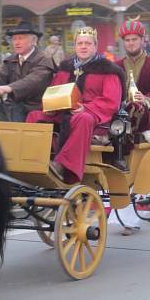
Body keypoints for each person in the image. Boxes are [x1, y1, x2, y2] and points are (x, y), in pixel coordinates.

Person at [27, 27, 123, 183]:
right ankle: (33, 161)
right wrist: (50, 108)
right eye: (80, 43)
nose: (83, 47)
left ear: (95, 46)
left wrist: (86, 107)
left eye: (88, 43)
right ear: (75, 46)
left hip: (94, 119)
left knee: (82, 118)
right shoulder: (66, 67)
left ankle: (63, 165)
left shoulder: (108, 70)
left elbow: (111, 101)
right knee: (34, 116)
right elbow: (54, 91)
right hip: (63, 114)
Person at [0, 21, 55, 122]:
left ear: (34, 40)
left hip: (34, 107)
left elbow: (33, 81)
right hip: (12, 106)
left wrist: (9, 88)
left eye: (21, 38)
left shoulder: (44, 59)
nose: (16, 42)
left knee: (15, 118)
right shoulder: (11, 59)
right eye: (14, 39)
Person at [115, 16, 150, 137]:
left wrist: (145, 100)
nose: (131, 43)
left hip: (148, 120)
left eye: (134, 39)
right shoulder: (116, 67)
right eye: (127, 40)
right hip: (118, 122)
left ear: (142, 40)